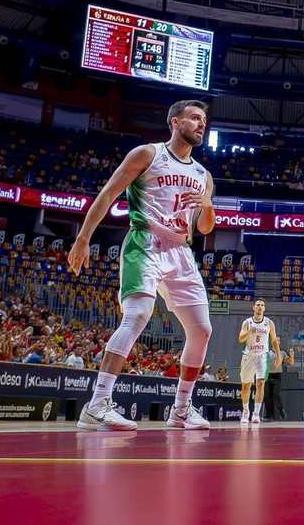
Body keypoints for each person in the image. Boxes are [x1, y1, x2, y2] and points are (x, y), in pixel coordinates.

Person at [68, 100, 216, 432]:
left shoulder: (203, 175)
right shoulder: (148, 154)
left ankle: (180, 409)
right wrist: (82, 239)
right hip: (145, 242)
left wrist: (209, 206)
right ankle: (97, 404)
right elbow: (107, 195)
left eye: (204, 119)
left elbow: (205, 228)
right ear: (176, 123)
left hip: (180, 251)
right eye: (195, 118)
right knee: (137, 315)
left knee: (202, 330)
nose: (201, 123)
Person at [238, 298, 280, 426]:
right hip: (248, 356)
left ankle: (256, 413)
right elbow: (240, 339)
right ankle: (245, 412)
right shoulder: (247, 322)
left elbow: (273, 340)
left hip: (262, 356)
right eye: (258, 305)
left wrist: (279, 356)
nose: (260, 307)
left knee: (260, 383)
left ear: (264, 308)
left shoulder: (269, 323)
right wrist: (248, 332)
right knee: (246, 386)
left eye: (262, 305)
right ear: (253, 307)